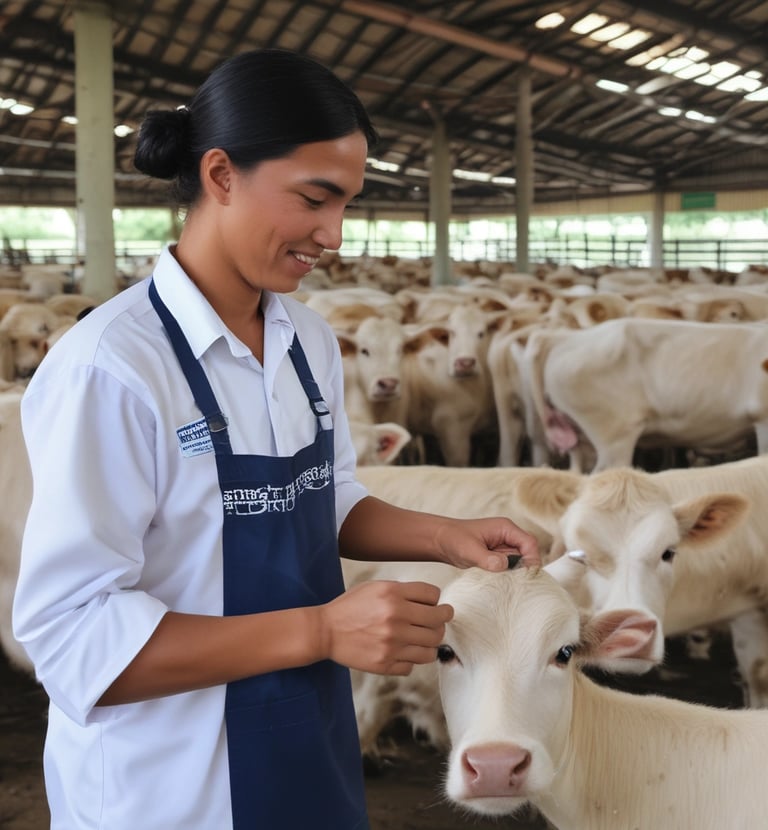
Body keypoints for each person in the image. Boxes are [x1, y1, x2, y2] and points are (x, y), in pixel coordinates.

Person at [12, 48, 538, 830]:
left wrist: (444, 537)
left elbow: (322, 498)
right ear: (221, 175)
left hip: (306, 743)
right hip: (172, 786)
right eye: (315, 198)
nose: (334, 234)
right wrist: (323, 629)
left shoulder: (307, 342)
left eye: (347, 204)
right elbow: (75, 638)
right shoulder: (112, 369)